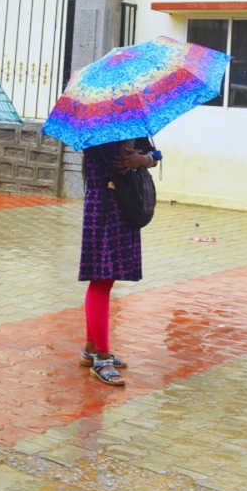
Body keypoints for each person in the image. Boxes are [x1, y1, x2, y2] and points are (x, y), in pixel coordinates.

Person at [78, 136, 159, 386]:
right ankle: (102, 358)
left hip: (121, 204)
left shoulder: (127, 124)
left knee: (104, 280)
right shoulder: (99, 129)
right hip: (104, 206)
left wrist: (142, 158)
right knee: (101, 279)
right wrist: (135, 156)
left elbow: (154, 156)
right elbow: (122, 160)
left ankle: (91, 349)